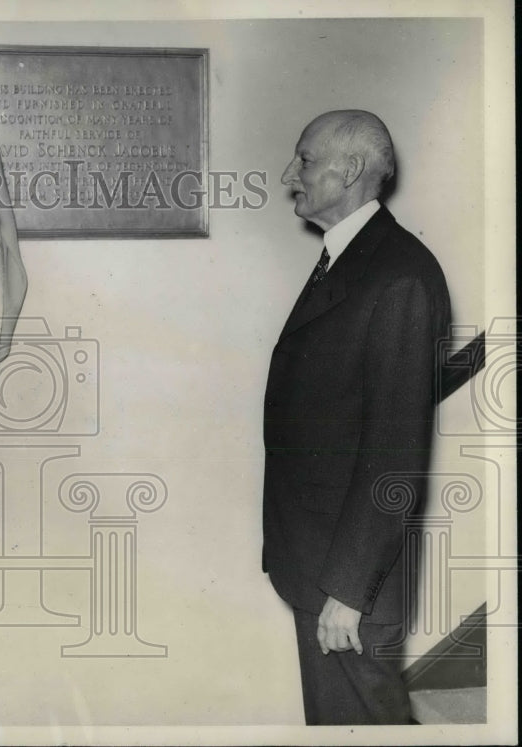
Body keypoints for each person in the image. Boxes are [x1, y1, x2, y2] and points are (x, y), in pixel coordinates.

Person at [263, 110, 451, 725]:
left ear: (347, 171)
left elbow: (394, 450)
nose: (290, 174)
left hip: (348, 587)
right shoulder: (349, 259)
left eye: (305, 160)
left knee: (367, 726)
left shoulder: (398, 275)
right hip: (319, 565)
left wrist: (347, 590)